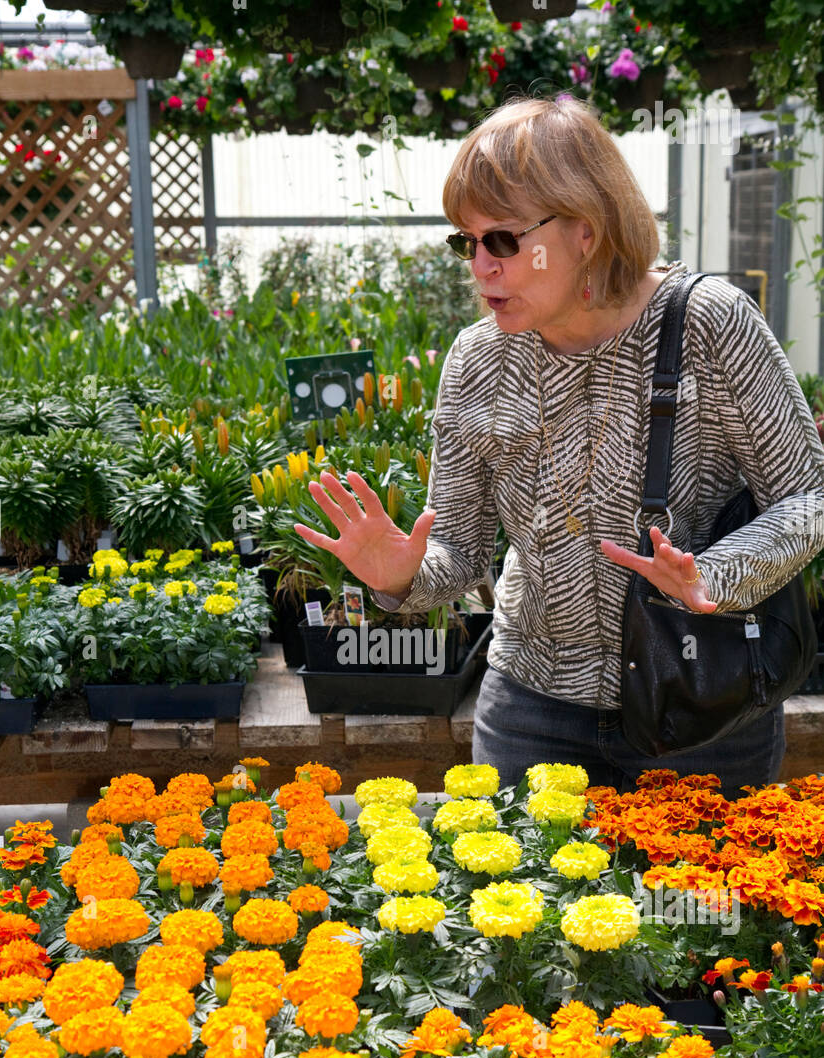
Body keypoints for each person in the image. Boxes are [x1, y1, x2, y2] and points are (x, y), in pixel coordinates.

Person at [294, 95, 824, 798]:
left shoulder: (710, 324)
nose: (480, 266)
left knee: (694, 907)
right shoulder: (477, 359)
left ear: (586, 230)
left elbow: (808, 501)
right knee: (521, 907)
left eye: (503, 240)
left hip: (705, 702)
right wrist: (400, 576)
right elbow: (457, 548)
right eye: (465, 241)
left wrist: (711, 578)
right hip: (530, 712)